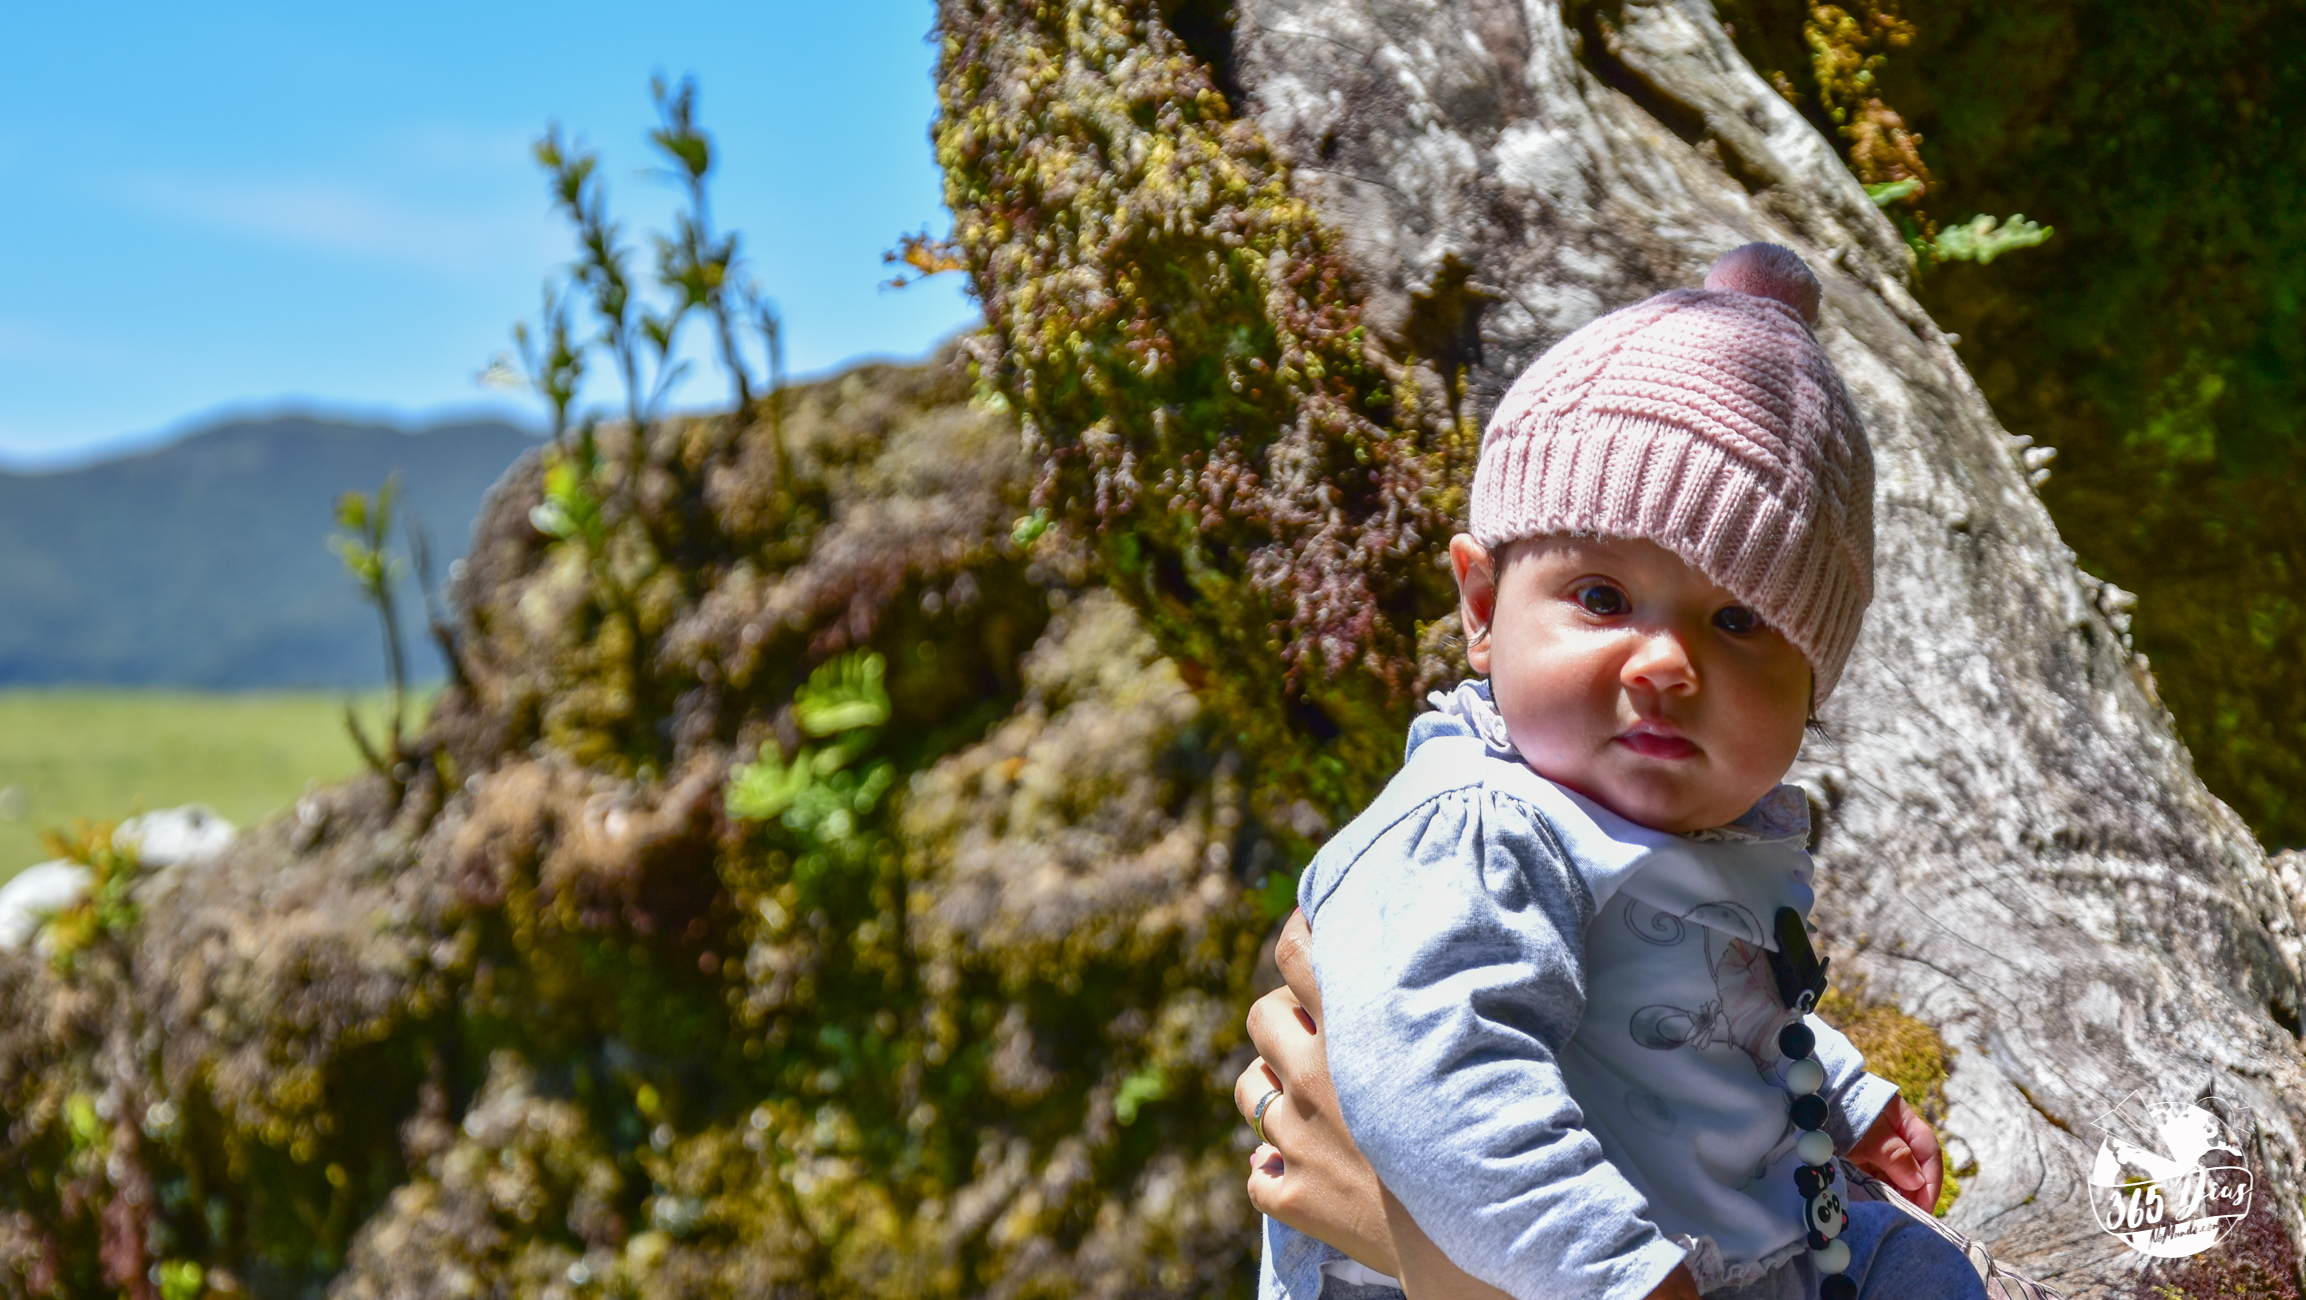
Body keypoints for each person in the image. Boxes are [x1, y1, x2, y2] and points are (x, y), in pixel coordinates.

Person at [1231, 245, 1984, 1300]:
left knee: (1919, 1266)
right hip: (1542, 1270)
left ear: (1812, 684)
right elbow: (1442, 1088)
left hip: (1730, 1255)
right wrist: (1622, 1277)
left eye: (1738, 621)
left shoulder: (1696, 838)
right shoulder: (1480, 829)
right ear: (1482, 608)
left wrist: (1844, 1097)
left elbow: (1719, 1007)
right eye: (1601, 598)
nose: (1666, 662)